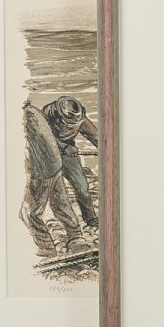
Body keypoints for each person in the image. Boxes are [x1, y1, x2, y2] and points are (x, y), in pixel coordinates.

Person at [20, 102, 88, 257]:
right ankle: (76, 238)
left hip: (41, 168)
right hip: (54, 164)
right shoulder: (34, 111)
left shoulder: (23, 116)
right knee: (61, 203)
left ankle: (46, 250)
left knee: (30, 212)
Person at [41, 96, 99, 228]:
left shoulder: (79, 120)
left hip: (69, 157)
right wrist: (63, 147)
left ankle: (90, 218)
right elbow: (43, 138)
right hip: (46, 156)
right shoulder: (44, 115)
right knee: (53, 192)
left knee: (82, 186)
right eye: (66, 122)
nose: (67, 126)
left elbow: (96, 137)